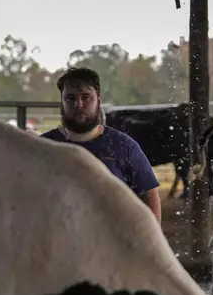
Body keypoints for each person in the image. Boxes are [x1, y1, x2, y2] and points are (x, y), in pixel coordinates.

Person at [41, 67, 162, 223]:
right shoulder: (44, 147)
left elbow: (149, 194)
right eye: (70, 98)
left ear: (99, 100)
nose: (78, 104)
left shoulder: (123, 147)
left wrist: (149, 243)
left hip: (112, 242)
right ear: (62, 103)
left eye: (86, 97)